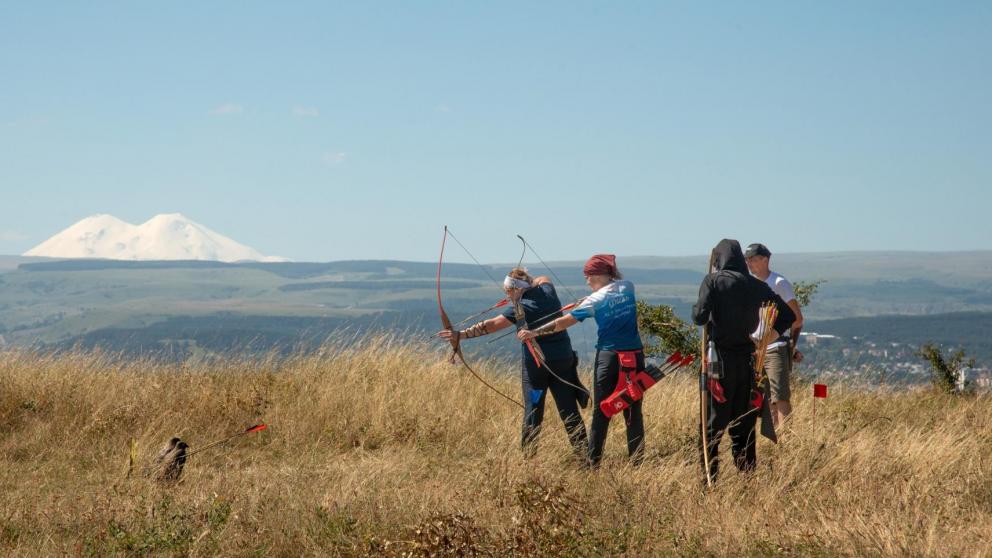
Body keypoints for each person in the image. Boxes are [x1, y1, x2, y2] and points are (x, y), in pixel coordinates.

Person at [439, 268, 588, 457]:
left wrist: (460, 335)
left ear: (516, 289)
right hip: (563, 362)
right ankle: (585, 459)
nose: (507, 296)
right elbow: (544, 278)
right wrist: (526, 286)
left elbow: (492, 325)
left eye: (508, 291)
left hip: (537, 369)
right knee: (569, 410)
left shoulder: (521, 307)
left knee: (533, 411)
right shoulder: (547, 292)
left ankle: (528, 459)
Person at [518, 254, 645, 468]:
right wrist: (586, 301)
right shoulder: (627, 286)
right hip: (635, 356)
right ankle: (637, 463)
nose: (587, 281)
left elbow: (563, 322)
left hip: (609, 357)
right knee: (633, 408)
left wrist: (534, 333)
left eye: (588, 276)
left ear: (597, 274)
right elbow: (608, 295)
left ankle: (592, 463)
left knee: (602, 410)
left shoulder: (594, 300)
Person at [692, 239, 795, 482]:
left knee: (712, 425)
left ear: (718, 260)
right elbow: (788, 315)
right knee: (743, 423)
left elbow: (699, 317)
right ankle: (747, 480)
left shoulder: (713, 281)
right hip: (749, 364)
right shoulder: (754, 284)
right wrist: (766, 339)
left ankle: (709, 479)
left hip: (718, 363)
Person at [744, 243, 804, 426]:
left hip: (775, 346)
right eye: (747, 260)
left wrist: (790, 346)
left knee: (780, 396)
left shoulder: (779, 283)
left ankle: (787, 440)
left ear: (765, 260)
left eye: (753, 259)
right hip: (755, 347)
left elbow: (796, 318)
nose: (750, 264)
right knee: (765, 398)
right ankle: (774, 440)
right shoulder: (750, 284)